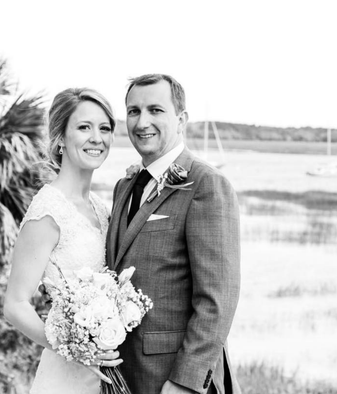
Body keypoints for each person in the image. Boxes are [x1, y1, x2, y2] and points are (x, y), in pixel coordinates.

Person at [106, 74, 242, 394]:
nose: (142, 122)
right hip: (125, 375)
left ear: (181, 120)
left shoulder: (206, 184)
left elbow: (217, 299)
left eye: (156, 110)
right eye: (134, 111)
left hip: (174, 380)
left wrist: (186, 382)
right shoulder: (124, 187)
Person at [4, 88, 121, 394]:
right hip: (66, 376)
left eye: (104, 128)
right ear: (60, 139)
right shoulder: (48, 212)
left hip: (104, 373)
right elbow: (15, 304)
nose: (97, 137)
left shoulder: (100, 207)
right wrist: (73, 347)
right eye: (84, 127)